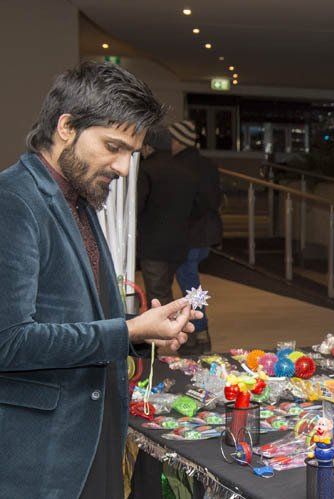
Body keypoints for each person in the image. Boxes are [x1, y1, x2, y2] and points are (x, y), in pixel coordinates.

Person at [0, 61, 202, 498]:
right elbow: (9, 341)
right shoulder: (13, 202)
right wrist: (127, 330)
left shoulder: (81, 200)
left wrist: (141, 339)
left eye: (131, 153)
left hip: (96, 439)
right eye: (113, 147)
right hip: (44, 459)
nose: (125, 168)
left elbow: (76, 317)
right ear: (67, 127)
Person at [138, 121, 202, 350]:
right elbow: (195, 208)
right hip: (179, 244)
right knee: (173, 294)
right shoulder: (186, 171)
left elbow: (138, 207)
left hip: (154, 244)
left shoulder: (147, 169)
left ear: (149, 146)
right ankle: (188, 336)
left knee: (159, 297)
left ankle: (169, 344)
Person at [171, 119, 222, 349]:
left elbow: (183, 203)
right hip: (206, 234)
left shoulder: (179, 166)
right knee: (192, 283)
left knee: (191, 284)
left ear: (179, 141)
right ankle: (195, 328)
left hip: (189, 234)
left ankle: (200, 330)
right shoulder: (207, 164)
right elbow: (215, 198)